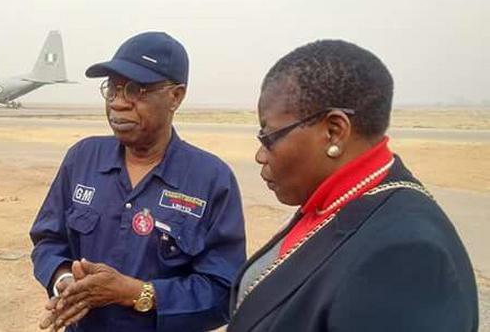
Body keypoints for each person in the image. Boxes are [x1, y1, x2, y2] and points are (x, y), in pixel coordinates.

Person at [227, 40, 478, 331]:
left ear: (334, 132)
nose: (260, 155)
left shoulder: (406, 256)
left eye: (268, 137)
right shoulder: (333, 204)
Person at [30, 32, 246, 331]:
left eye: (135, 90)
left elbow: (224, 292)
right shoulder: (82, 159)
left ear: (176, 96)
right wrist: (64, 280)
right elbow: (48, 241)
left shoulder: (211, 179)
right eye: (112, 89)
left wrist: (136, 293)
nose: (118, 103)